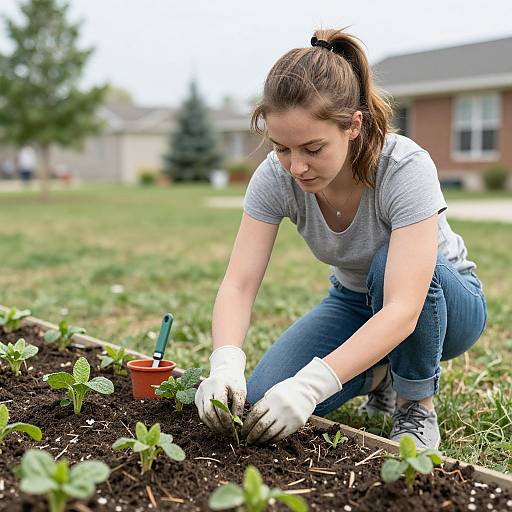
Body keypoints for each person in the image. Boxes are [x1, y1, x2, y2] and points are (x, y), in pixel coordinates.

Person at [194, 28, 487, 449]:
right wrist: (224, 362)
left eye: (313, 148)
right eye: (281, 148)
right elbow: (239, 284)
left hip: (444, 308)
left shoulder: (404, 167)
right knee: (260, 403)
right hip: (354, 302)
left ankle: (415, 403)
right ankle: (379, 374)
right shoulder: (276, 178)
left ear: (353, 125)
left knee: (388, 263)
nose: (296, 166)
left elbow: (405, 306)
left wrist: (313, 385)